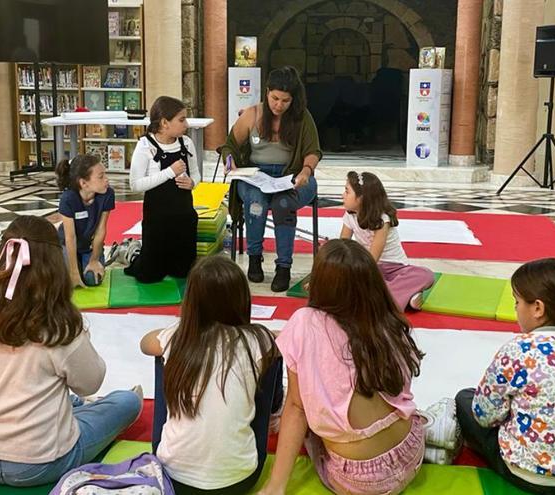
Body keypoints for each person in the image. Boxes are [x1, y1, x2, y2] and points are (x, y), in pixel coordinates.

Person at [0, 215, 142, 487]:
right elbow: (90, 382)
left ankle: (67, 408)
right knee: (127, 402)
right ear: (55, 265)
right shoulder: (59, 325)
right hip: (42, 463)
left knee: (62, 399)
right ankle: (72, 409)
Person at [259, 239, 426, 495]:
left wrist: (276, 486)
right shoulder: (387, 319)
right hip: (410, 450)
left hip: (361, 481)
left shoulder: (305, 322)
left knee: (304, 411)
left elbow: (296, 408)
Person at [456, 258, 555, 495]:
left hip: (531, 474)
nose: (516, 308)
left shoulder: (519, 349)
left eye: (517, 302)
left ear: (538, 308)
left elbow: (485, 416)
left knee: (465, 400)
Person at [140, 255, 281, 494]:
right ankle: (274, 414)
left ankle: (172, 442)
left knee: (163, 356)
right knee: (272, 358)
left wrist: (178, 329)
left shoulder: (178, 337)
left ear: (191, 302)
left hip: (172, 477)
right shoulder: (257, 339)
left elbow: (145, 343)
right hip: (241, 479)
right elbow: (283, 343)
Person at [221, 66, 322, 292]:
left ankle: (284, 267)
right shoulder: (252, 114)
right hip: (256, 175)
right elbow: (229, 146)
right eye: (274, 98)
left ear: (293, 100)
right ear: (266, 92)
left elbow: (313, 150)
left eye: (285, 101)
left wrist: (306, 170)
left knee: (282, 204)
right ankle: (255, 256)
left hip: (293, 175)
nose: (278, 105)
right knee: (256, 203)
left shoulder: (303, 117)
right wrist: (230, 162)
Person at [125, 96, 200, 283]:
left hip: (183, 218)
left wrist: (192, 183)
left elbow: (197, 175)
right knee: (148, 276)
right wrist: (169, 172)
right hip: (157, 221)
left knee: (183, 273)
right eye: (181, 120)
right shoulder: (145, 146)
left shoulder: (187, 143)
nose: (186, 124)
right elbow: (135, 184)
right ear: (165, 123)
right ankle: (131, 253)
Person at [340, 171, 435, 310]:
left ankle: (383, 298)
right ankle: (406, 295)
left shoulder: (382, 220)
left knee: (426, 275)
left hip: (394, 267)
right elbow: (342, 247)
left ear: (361, 198)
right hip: (370, 270)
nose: (342, 195)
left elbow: (372, 259)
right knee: (348, 277)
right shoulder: (350, 216)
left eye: (347, 192)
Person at [56, 154, 114, 288]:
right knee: (68, 282)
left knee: (92, 279)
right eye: (101, 177)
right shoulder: (68, 198)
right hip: (67, 245)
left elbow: (101, 230)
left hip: (89, 247)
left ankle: (117, 252)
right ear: (83, 183)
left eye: (105, 174)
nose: (107, 179)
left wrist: (94, 260)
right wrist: (74, 272)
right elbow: (70, 237)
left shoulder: (107, 194)